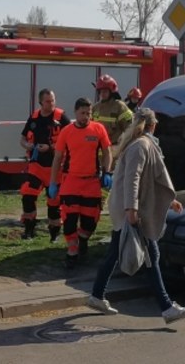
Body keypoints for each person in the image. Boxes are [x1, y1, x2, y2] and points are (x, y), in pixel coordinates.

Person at [85, 107, 185, 325]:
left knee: (116, 253)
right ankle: (167, 307)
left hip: (129, 208)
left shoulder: (140, 144)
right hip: (132, 210)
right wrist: (131, 209)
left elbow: (146, 179)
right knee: (152, 257)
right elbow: (133, 179)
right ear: (153, 126)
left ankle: (97, 296)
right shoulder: (142, 146)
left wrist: (169, 200)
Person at [48, 98, 112, 269]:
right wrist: (53, 182)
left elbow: (107, 152)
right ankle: (72, 252)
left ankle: (83, 239)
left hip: (91, 182)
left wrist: (107, 172)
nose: (86, 116)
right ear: (76, 112)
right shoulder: (67, 131)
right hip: (71, 182)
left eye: (88, 113)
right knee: (69, 220)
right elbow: (58, 158)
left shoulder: (98, 129)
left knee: (90, 222)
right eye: (83, 113)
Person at [19, 89, 71, 241]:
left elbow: (70, 141)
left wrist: (51, 148)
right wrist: (27, 145)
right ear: (41, 102)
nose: (52, 103)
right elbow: (22, 138)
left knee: (54, 201)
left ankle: (54, 233)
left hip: (56, 167)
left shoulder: (62, 118)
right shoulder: (34, 118)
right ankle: (29, 230)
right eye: (48, 101)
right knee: (27, 194)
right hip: (37, 165)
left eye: (53, 100)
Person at [91, 74, 133, 151]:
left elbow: (130, 127)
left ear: (111, 92)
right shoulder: (95, 107)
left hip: (115, 148)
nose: (102, 94)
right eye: (101, 91)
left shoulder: (119, 106)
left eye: (105, 91)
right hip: (98, 149)